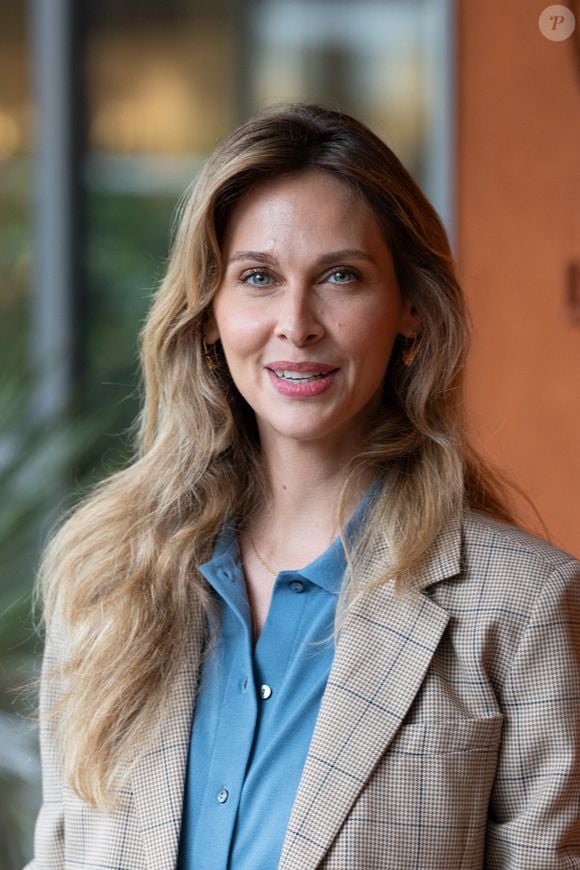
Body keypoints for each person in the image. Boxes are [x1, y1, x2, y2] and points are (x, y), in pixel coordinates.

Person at [28, 103, 579, 870]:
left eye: (340, 277)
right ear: (209, 312)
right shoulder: (105, 581)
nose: (296, 322)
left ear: (410, 308)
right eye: (257, 277)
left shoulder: (524, 610)